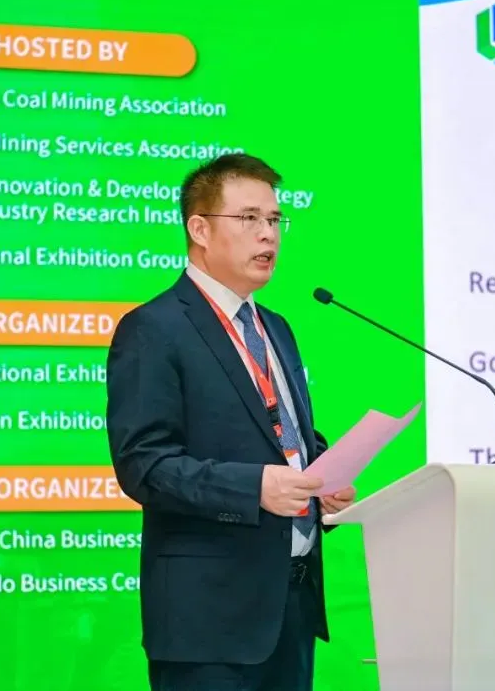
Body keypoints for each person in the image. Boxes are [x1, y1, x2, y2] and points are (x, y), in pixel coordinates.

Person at [106, 152, 357, 691]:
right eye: (249, 219)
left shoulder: (276, 327)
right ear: (199, 229)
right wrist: (255, 488)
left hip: (290, 609)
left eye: (275, 219)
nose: (268, 234)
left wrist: (322, 482)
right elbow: (144, 465)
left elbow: (283, 436)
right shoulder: (154, 328)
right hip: (207, 624)